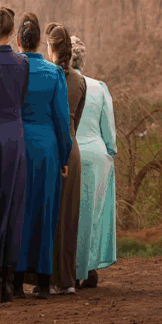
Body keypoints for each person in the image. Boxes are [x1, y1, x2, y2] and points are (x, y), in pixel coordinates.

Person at [13, 13, 71, 300]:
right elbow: (63, 120)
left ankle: (15, 282)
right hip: (47, 150)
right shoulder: (54, 73)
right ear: (39, 42)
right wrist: (64, 156)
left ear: (19, 42)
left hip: (19, 148)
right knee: (45, 212)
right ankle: (44, 283)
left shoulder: (13, 70)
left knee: (19, 212)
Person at [0, 7, 29, 303]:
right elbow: (22, 99)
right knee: (14, 205)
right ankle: (10, 279)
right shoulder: (22, 63)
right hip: (16, 135)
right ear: (13, 33)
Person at [71, 36, 117, 288]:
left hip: (70, 153)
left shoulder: (63, 84)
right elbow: (109, 134)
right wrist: (110, 154)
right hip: (97, 157)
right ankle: (87, 268)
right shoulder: (99, 87)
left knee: (69, 214)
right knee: (91, 215)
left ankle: (69, 267)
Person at [45, 22, 87, 295]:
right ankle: (67, 280)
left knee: (49, 217)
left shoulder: (48, 76)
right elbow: (77, 121)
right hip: (72, 150)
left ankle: (45, 279)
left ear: (51, 49)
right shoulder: (79, 82)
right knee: (69, 217)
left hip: (50, 149)